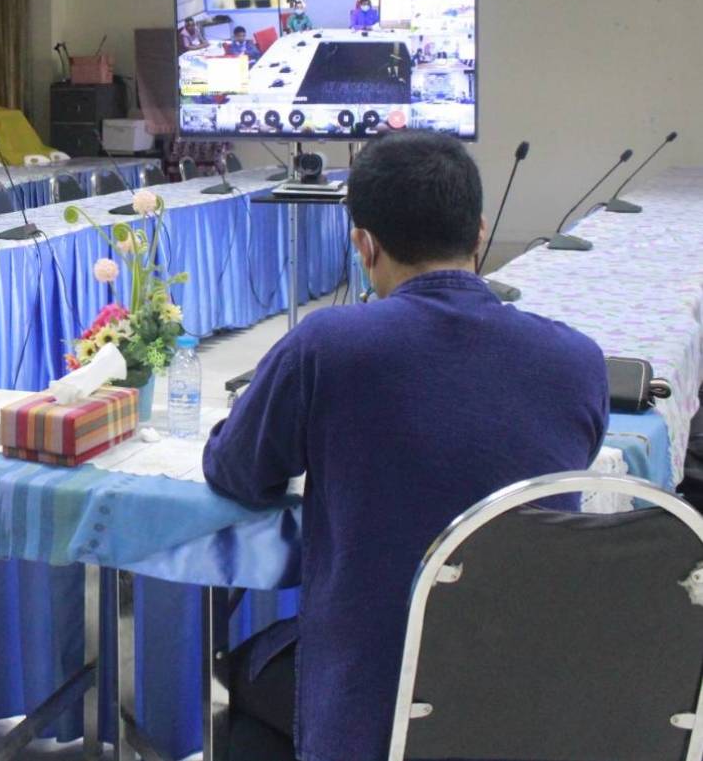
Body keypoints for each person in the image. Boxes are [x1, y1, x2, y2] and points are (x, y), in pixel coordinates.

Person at [203, 132, 607, 761]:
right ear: (478, 234)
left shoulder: (327, 347)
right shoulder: (578, 361)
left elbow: (236, 471)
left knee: (244, 678)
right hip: (527, 698)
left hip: (370, 705)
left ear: (362, 243)